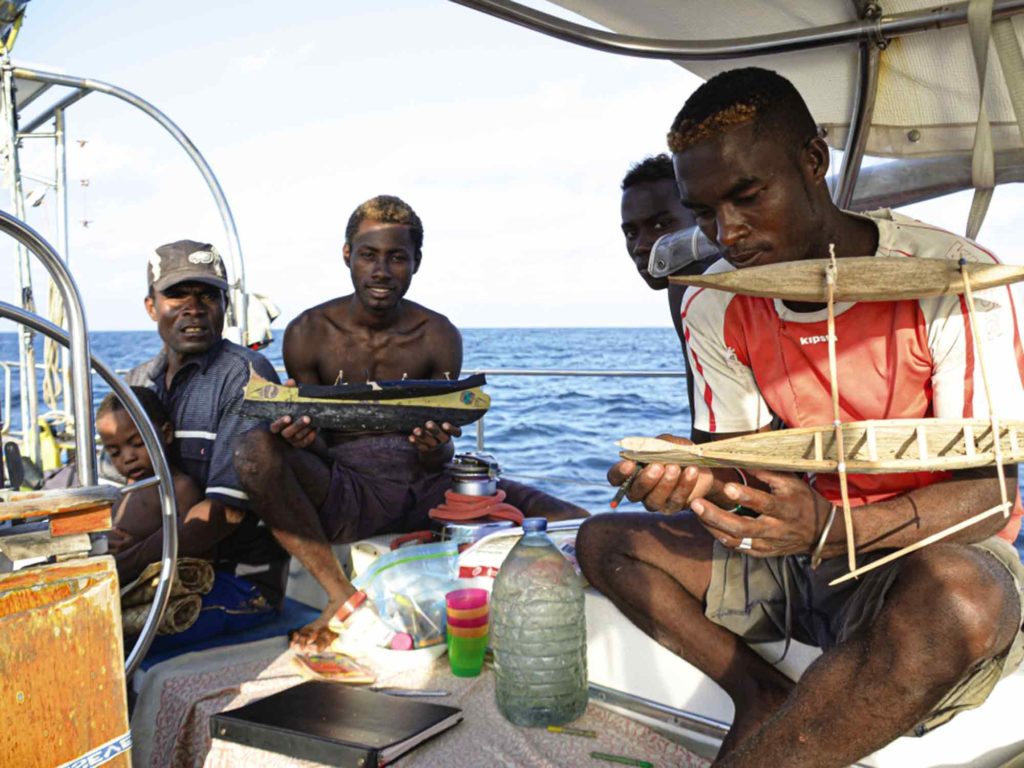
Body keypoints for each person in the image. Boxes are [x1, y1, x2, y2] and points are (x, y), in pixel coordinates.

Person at [577, 68, 1024, 768]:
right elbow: (739, 474)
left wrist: (833, 527)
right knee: (606, 542)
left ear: (813, 162)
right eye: (703, 213)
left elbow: (989, 495)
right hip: (792, 552)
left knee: (962, 601)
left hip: (910, 554)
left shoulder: (954, 275)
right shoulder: (711, 302)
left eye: (748, 197)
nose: (729, 232)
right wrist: (687, 473)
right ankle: (760, 697)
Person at [234, 194, 588, 651]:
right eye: (369, 255)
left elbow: (441, 452)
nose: (381, 271)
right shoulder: (308, 332)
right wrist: (299, 438)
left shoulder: (438, 335)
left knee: (576, 522)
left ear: (416, 262)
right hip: (347, 491)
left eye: (397, 257)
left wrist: (432, 446)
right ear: (348, 256)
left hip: (430, 489)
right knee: (254, 449)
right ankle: (340, 596)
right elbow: (316, 439)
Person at [126, 239, 289, 636]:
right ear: (152, 307)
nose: (193, 308)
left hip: (238, 581)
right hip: (157, 567)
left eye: (207, 295)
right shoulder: (137, 381)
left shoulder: (246, 375)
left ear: (224, 306)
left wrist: (125, 563)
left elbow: (225, 513)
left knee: (97, 631)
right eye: (176, 294)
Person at [620, 153, 716, 424]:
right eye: (631, 233)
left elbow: (708, 424)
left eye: (661, 225)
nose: (641, 245)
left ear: (701, 220)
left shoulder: (689, 281)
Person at [96, 386, 204, 583]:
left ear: (167, 433)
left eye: (137, 443)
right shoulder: (130, 485)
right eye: (114, 453)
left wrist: (139, 547)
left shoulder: (179, 488)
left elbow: (197, 548)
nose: (128, 458)